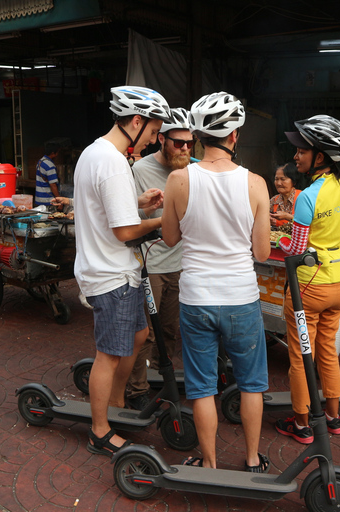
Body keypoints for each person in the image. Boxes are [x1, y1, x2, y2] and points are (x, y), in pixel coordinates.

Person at [162, 92, 271, 472]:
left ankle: (208, 463)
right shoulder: (256, 184)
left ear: (198, 136)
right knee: (252, 384)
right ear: (235, 135)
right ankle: (254, 459)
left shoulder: (178, 180)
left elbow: (171, 239)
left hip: (196, 296)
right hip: (241, 296)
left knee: (202, 386)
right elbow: (261, 253)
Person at [73, 85, 170, 457]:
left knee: (138, 334)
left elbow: (109, 209)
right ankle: (100, 430)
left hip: (110, 267)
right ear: (135, 121)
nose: (153, 139)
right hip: (110, 272)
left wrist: (139, 203)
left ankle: (114, 405)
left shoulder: (96, 153)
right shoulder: (113, 163)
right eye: (152, 131)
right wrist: (163, 218)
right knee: (109, 354)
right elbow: (125, 231)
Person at [275, 115, 340, 443]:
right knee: (326, 352)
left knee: (299, 356)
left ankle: (303, 422)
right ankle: (334, 417)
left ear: (319, 157)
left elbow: (296, 246)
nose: (295, 156)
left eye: (301, 151)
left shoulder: (307, 197)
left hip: (308, 286)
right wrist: (339, 225)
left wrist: (277, 238)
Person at [125, 107, 193, 410]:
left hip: (181, 264)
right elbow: (129, 217)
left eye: (190, 144)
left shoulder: (192, 169)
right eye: (179, 143)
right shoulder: (140, 171)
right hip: (150, 263)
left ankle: (157, 376)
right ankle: (137, 389)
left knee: (168, 330)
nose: (185, 149)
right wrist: (149, 210)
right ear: (162, 139)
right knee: (146, 333)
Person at [269, 162, 301, 234]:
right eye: (276, 179)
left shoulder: (302, 198)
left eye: (283, 179)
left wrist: (287, 217)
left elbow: (309, 223)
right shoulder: (274, 200)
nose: (279, 183)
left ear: (294, 181)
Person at [35, 141, 61, 207]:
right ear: (53, 153)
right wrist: (59, 200)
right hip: (48, 200)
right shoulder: (50, 166)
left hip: (39, 198)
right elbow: (53, 185)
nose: (57, 155)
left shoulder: (40, 162)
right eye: (57, 153)